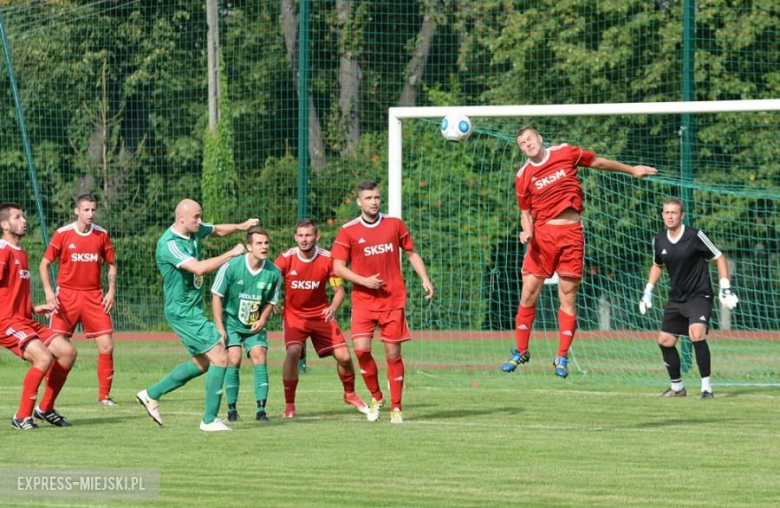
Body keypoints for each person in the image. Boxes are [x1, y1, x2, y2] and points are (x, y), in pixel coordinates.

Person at [504, 126, 657, 378]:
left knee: (568, 297)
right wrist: (527, 231)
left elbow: (598, 162)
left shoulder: (565, 152)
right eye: (522, 143)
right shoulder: (523, 175)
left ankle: (562, 356)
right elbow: (525, 212)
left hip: (571, 235)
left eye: (530, 139)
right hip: (542, 237)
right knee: (528, 293)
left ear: (540, 138)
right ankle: (521, 350)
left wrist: (632, 170)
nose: (527, 144)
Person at [136, 199, 257, 432]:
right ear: (181, 218)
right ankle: (209, 420)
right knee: (221, 357)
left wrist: (241, 227)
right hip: (182, 313)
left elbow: (218, 230)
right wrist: (232, 253)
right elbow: (199, 268)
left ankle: (151, 395)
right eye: (197, 218)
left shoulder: (193, 231)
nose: (200, 222)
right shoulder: (169, 244)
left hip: (193, 310)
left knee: (203, 362)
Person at [332, 180, 434, 424]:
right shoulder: (349, 230)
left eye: (377, 197)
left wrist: (425, 278)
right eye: (368, 198)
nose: (374, 202)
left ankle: (396, 407)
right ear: (359, 202)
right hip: (363, 301)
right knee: (361, 350)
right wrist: (363, 281)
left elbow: (411, 252)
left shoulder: (394, 224)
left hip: (392, 299)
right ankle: (377, 396)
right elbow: (337, 267)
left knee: (392, 353)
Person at [639, 197, 738, 399]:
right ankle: (677, 388)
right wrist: (648, 289)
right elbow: (657, 265)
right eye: (666, 212)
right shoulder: (659, 240)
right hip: (676, 298)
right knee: (665, 341)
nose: (670, 216)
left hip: (699, 295)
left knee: (696, 333)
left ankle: (706, 389)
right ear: (662, 215)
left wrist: (725, 286)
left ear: (681, 215)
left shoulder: (695, 236)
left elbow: (719, 257)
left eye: (674, 212)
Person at [274, 219, 369, 419]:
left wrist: (333, 307)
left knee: (344, 356)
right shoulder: (286, 258)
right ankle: (289, 405)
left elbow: (339, 290)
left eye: (308, 235)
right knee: (293, 351)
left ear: (317, 237)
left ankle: (350, 394)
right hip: (294, 316)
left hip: (320, 315)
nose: (304, 239)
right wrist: (271, 301)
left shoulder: (328, 259)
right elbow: (270, 280)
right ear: (295, 237)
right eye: (300, 235)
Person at [0, 202, 77, 429]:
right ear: (4, 224)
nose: (23, 221)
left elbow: (9, 292)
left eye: (23, 216)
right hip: (5, 322)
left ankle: (45, 408)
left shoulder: (21, 253)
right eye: (17, 217)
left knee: (67, 352)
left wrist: (33, 308)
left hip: (24, 319)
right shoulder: (2, 250)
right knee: (43, 358)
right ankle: (22, 417)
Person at [39, 194, 118, 406]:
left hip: (94, 296)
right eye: (86, 210)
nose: (90, 214)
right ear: (77, 211)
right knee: (56, 349)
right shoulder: (63, 234)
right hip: (66, 297)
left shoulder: (102, 235)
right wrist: (49, 293)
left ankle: (104, 396)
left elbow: (111, 264)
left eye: (93, 210)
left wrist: (111, 291)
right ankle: (47, 401)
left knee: (107, 346)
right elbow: (44, 264)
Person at [211, 227, 281, 423]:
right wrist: (220, 326)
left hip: (254, 325)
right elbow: (217, 295)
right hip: (231, 323)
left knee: (260, 355)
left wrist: (263, 318)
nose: (264, 246)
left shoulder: (274, 272)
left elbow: (271, 302)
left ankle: (261, 410)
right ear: (249, 246)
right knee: (234, 358)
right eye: (259, 243)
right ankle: (232, 410)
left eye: (266, 243)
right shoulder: (232, 266)